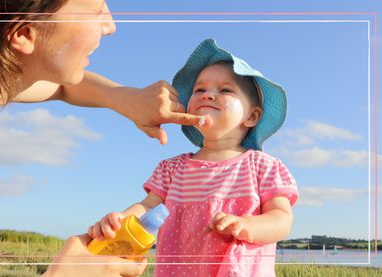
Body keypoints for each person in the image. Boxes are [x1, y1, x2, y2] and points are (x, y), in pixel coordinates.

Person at [0, 1, 207, 276]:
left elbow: (62, 88)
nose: (110, 25)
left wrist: (124, 98)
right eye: (96, 10)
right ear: (23, 34)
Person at [88, 39, 299, 277]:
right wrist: (119, 220)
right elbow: (146, 207)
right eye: (200, 89)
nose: (208, 95)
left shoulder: (263, 166)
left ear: (252, 116)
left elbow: (282, 219)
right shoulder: (172, 169)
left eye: (225, 89)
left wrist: (249, 225)